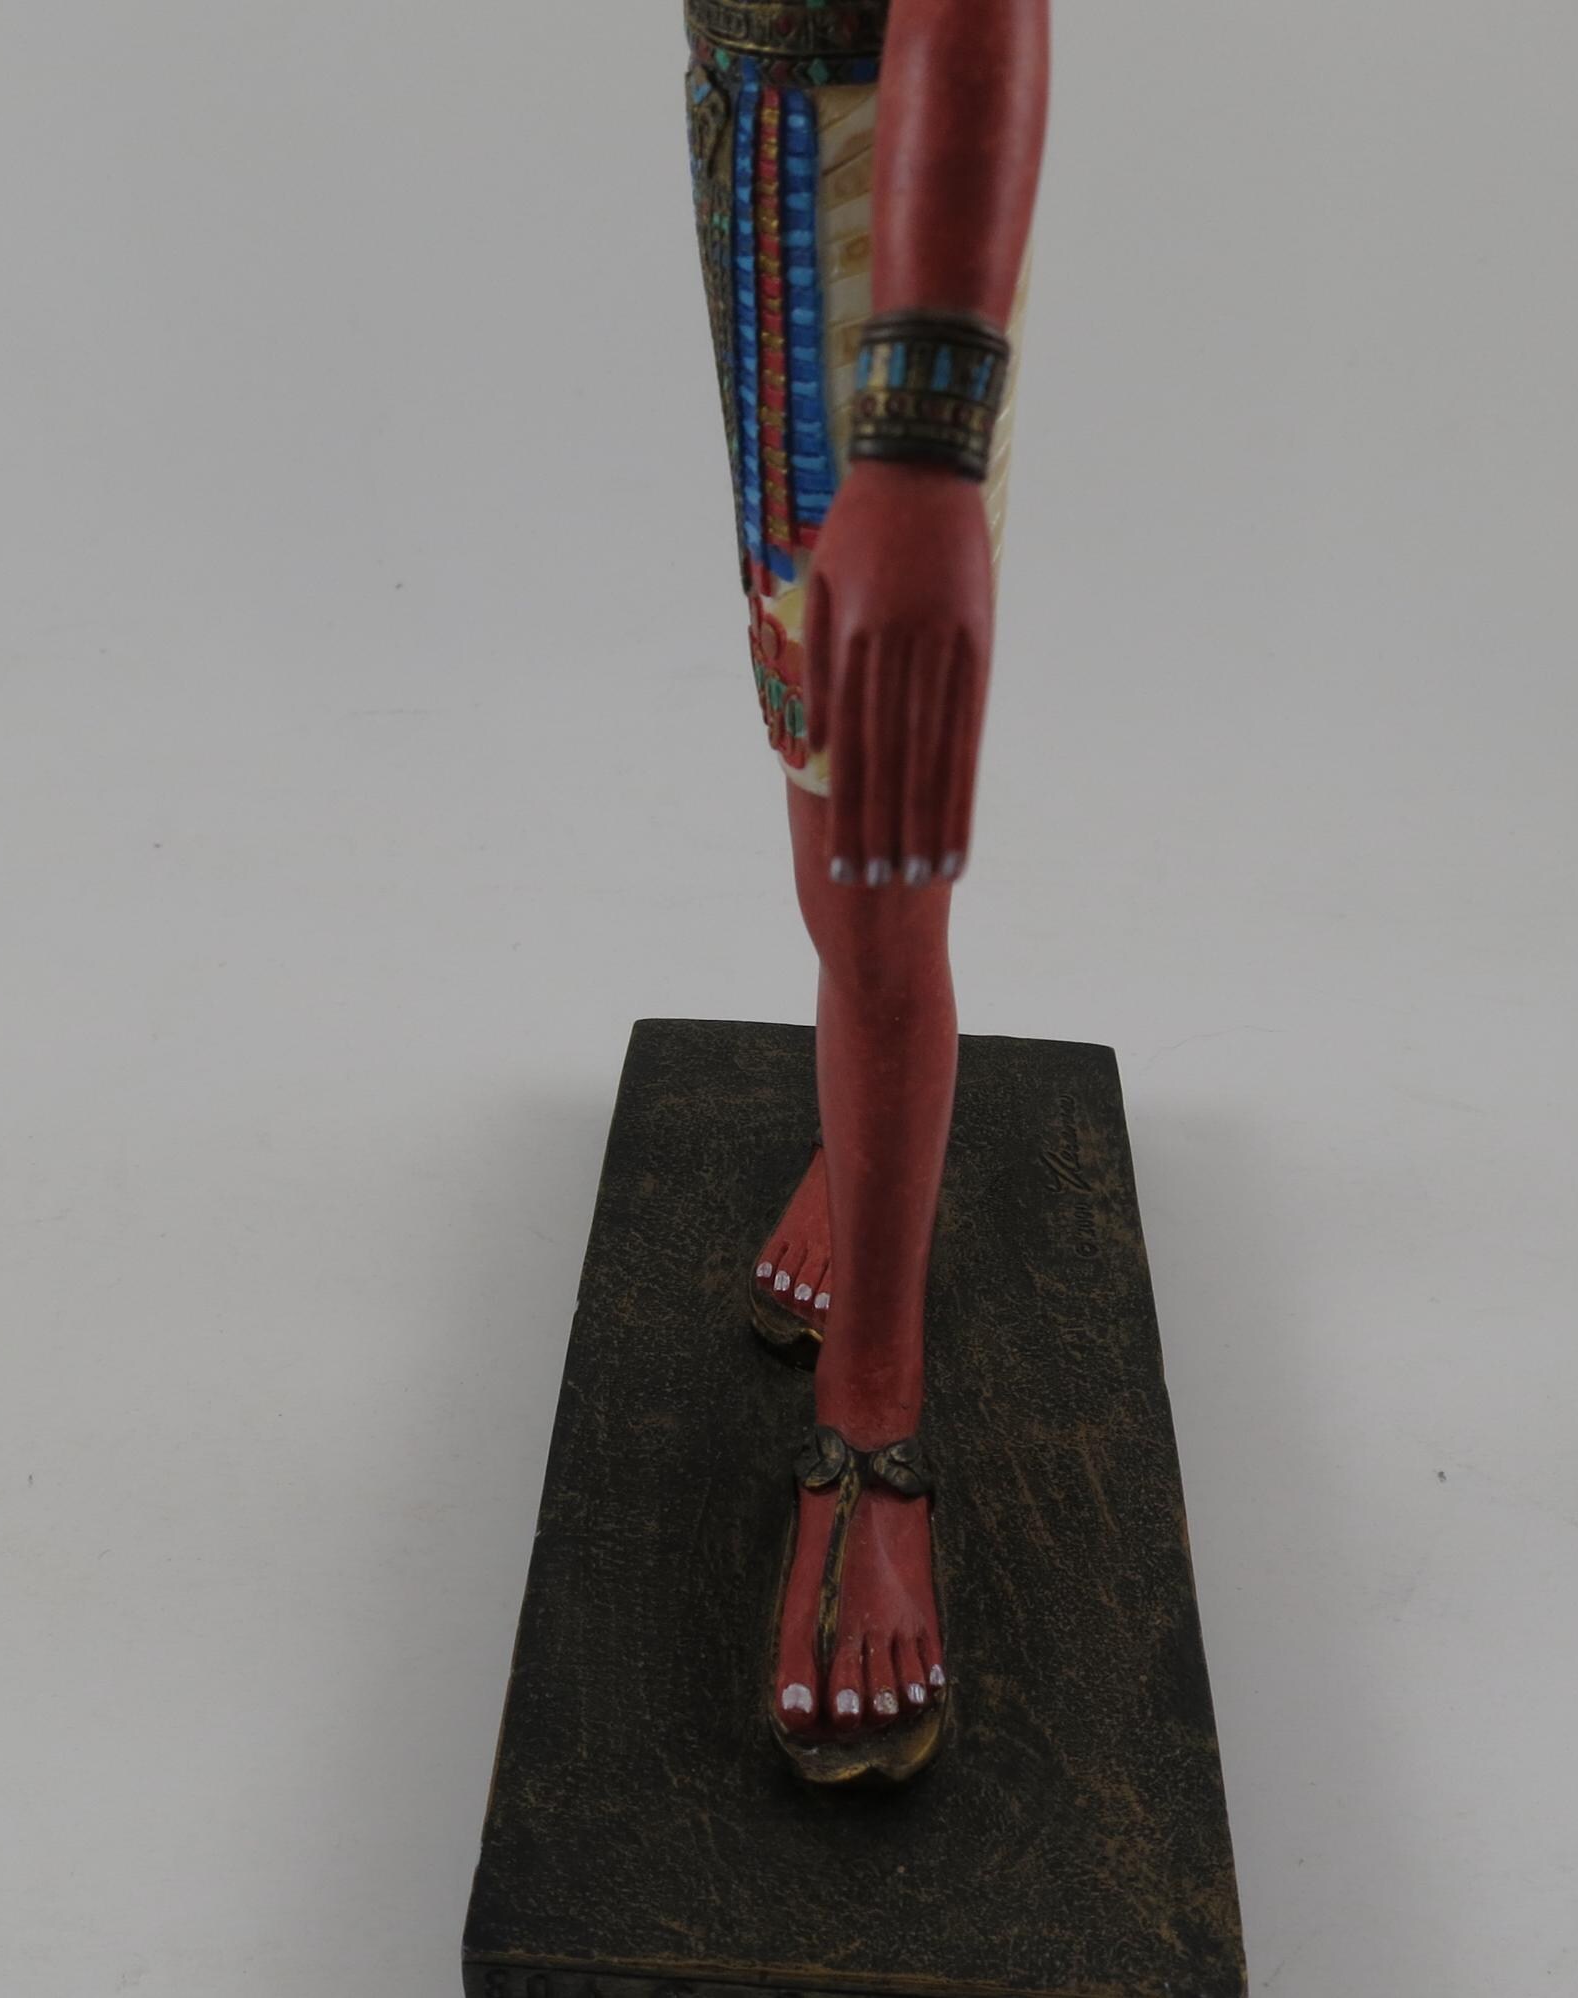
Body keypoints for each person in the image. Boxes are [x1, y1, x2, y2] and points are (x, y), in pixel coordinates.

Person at [683, 0, 1048, 1783]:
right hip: (758, 161)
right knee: (818, 772)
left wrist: (921, 446)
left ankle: (872, 1416)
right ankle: (864, 1131)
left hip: (864, 196)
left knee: (879, 865)